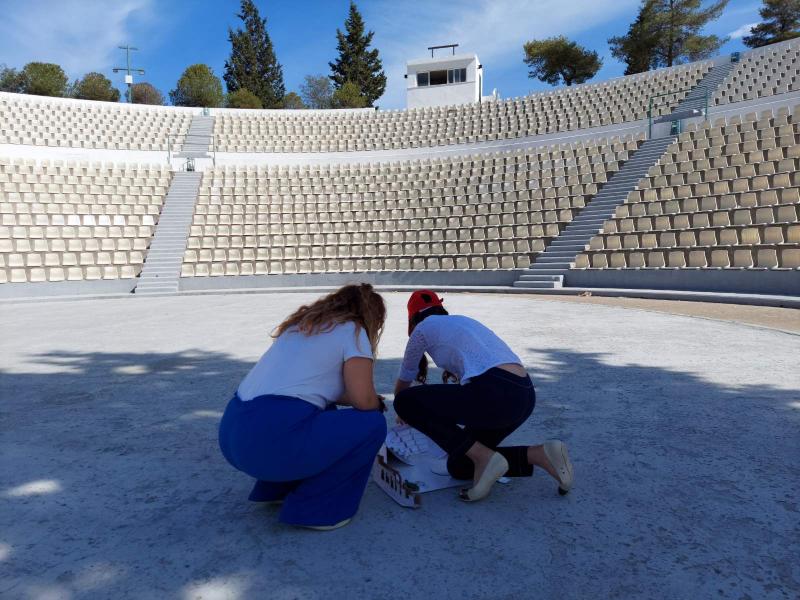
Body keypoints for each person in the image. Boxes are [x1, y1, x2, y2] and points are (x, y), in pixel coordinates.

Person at [219, 284, 388, 531]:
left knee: (321, 411)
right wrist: (377, 402)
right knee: (372, 423)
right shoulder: (353, 330)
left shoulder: (298, 328)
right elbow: (363, 401)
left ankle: (277, 488)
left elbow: (312, 390)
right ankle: (317, 509)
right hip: (270, 442)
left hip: (234, 433)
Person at [393, 290, 574, 502]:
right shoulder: (464, 322)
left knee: (405, 401)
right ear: (441, 309)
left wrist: (402, 410)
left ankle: (484, 457)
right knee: (459, 464)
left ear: (413, 318)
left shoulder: (422, 330)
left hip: (496, 394)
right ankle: (541, 454)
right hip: (523, 396)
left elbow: (405, 379)